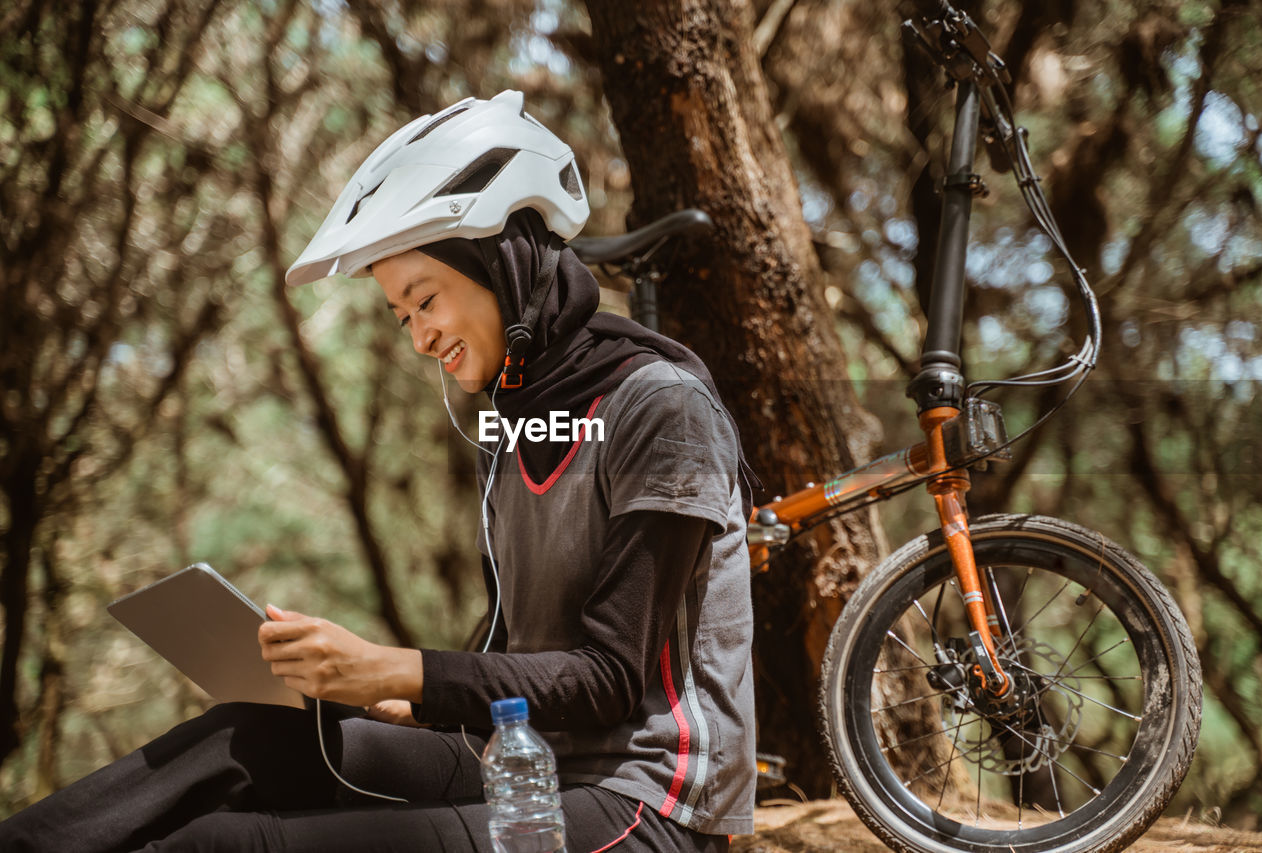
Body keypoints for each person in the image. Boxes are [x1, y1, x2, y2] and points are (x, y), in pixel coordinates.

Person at [0, 90, 755, 852]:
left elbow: (609, 677)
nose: (421, 337)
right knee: (241, 738)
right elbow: (519, 654)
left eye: (425, 300)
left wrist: (394, 671)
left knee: (228, 844)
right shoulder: (520, 418)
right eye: (403, 316)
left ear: (502, 259)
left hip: (643, 803)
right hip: (523, 762)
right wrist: (409, 699)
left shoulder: (663, 409)